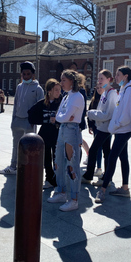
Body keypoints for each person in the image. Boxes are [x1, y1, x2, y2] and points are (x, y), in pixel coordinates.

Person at [95, 66, 131, 203]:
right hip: (120, 129)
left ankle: (102, 190)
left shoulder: (130, 90)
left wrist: (116, 124)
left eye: (118, 74)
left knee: (113, 157)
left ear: (126, 76)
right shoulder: (124, 89)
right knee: (123, 157)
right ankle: (125, 188)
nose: (116, 77)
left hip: (124, 130)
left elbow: (127, 113)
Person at [47, 70, 85, 212]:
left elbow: (62, 116)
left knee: (72, 164)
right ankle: (61, 192)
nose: (61, 83)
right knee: (59, 162)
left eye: (64, 80)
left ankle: (74, 199)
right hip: (63, 129)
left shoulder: (77, 97)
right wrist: (61, 117)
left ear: (72, 81)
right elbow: (60, 116)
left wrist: (61, 117)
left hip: (71, 130)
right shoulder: (66, 97)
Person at [0, 61, 44, 175]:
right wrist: (13, 120)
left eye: (28, 74)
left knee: (30, 146)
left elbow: (40, 107)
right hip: (18, 120)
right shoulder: (19, 87)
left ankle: (28, 166)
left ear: (33, 75)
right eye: (24, 74)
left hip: (29, 121)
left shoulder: (38, 89)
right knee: (16, 144)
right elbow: (16, 103)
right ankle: (14, 166)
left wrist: (34, 121)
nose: (26, 76)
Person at [81, 69, 118, 186]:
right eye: (98, 78)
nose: (99, 81)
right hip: (102, 127)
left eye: (102, 78)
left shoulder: (111, 93)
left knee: (93, 151)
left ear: (109, 79)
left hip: (105, 128)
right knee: (106, 152)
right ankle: (106, 178)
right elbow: (102, 111)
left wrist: (91, 114)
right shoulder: (105, 93)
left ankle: (89, 176)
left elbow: (108, 114)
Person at [27, 79, 62, 189]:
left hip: (57, 134)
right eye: (56, 90)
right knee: (46, 157)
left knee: (57, 158)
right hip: (45, 134)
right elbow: (31, 114)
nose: (58, 92)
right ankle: (49, 178)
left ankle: (58, 179)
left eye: (59, 90)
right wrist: (44, 119)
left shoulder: (61, 102)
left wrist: (57, 120)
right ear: (49, 91)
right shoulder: (42, 103)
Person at [86, 84, 103, 176]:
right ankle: (99, 167)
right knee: (98, 148)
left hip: (101, 126)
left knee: (100, 148)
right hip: (96, 126)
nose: (99, 90)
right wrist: (90, 126)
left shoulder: (104, 99)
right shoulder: (94, 101)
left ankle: (99, 167)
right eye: (98, 88)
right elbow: (89, 114)